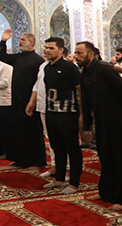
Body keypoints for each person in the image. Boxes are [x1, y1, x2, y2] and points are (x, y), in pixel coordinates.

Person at [78, 41, 122, 210]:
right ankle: (106, 191)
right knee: (105, 156)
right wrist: (86, 126)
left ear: (90, 54)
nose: (77, 56)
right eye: (76, 53)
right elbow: (86, 100)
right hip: (101, 121)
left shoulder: (104, 69)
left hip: (116, 121)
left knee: (118, 158)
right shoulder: (85, 72)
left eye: (80, 53)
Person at [27, 37, 81, 194]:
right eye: (46, 47)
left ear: (61, 50)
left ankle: (74, 183)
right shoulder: (47, 68)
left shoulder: (69, 67)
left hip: (67, 114)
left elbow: (81, 90)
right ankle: (59, 179)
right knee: (57, 147)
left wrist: (82, 114)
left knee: (72, 149)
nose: (47, 50)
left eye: (51, 48)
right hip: (51, 113)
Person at [0, 28, 46, 168]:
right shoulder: (18, 57)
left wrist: (33, 101)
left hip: (31, 101)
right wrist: (3, 41)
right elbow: (2, 56)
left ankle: (37, 161)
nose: (20, 42)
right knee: (18, 131)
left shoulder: (37, 60)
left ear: (31, 43)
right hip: (17, 101)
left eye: (23, 40)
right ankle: (20, 159)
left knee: (32, 131)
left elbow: (39, 83)